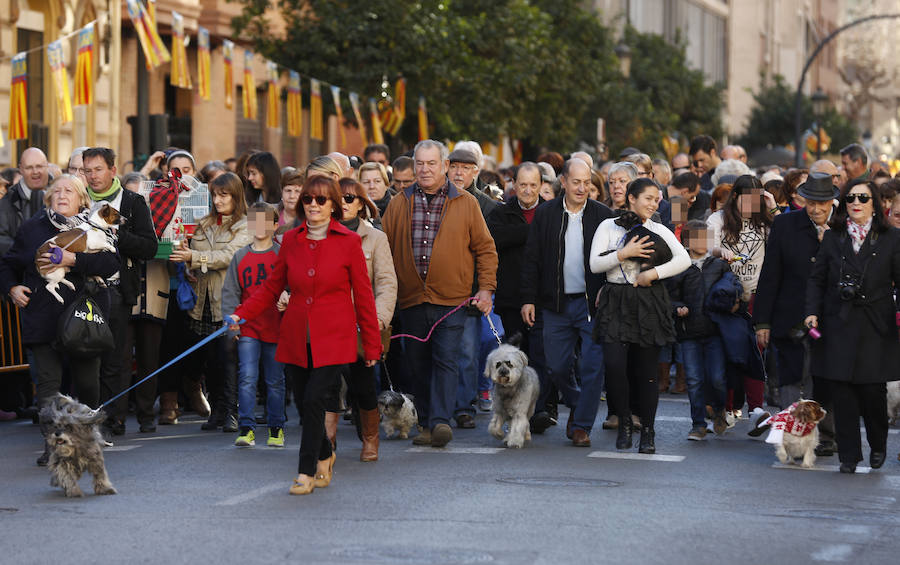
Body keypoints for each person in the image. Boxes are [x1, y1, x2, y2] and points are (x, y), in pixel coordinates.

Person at [229, 175, 381, 495]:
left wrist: (371, 345)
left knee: (315, 399)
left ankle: (305, 470)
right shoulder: (292, 240)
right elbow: (272, 287)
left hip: (335, 339)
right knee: (303, 401)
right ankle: (325, 453)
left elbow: (365, 298)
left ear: (333, 206)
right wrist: (241, 314)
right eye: (308, 199)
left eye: (321, 200)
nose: (313, 204)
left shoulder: (349, 243)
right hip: (297, 335)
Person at [382, 140, 497, 448]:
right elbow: (384, 252)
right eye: (420, 163)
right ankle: (426, 422)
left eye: (431, 163)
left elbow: (485, 249)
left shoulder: (466, 203)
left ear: (445, 166)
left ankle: (441, 422)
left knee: (446, 358)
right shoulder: (398, 203)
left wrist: (485, 289)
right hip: (411, 298)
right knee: (417, 362)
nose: (424, 169)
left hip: (452, 300)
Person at [0, 175, 120, 464]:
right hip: (43, 318)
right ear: (48, 198)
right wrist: (11, 288)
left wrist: (73, 261)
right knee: (48, 388)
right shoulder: (32, 229)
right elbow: (8, 264)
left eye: (69, 191)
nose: (62, 195)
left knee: (87, 384)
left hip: (84, 318)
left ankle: (86, 441)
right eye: (57, 191)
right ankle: (53, 446)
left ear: (82, 199)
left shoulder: (96, 228)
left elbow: (111, 264)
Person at [805, 179, 900, 473]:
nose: (856, 203)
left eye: (863, 197)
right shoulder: (834, 237)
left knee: (873, 391)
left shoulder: (891, 238)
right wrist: (811, 312)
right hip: (839, 321)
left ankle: (878, 444)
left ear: (876, 203)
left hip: (876, 323)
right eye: (850, 198)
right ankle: (849, 455)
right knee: (842, 391)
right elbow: (817, 278)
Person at [590, 178, 690, 453]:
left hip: (648, 302)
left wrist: (653, 273)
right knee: (615, 366)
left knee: (646, 372)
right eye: (648, 198)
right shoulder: (608, 226)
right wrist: (623, 253)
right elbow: (595, 263)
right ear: (631, 198)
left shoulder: (659, 228)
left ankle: (648, 430)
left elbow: (683, 259)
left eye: (657, 199)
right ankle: (623, 421)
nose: (653, 203)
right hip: (616, 300)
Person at [521, 158, 614, 447]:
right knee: (556, 366)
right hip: (556, 304)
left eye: (587, 182)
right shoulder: (547, 214)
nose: (583, 188)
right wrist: (529, 299)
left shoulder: (603, 215)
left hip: (592, 305)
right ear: (563, 182)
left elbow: (613, 258)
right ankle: (577, 402)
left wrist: (607, 291)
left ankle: (582, 426)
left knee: (592, 365)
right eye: (577, 182)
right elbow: (532, 259)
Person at [753, 172, 838, 453]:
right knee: (790, 376)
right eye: (811, 202)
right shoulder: (786, 224)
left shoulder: (843, 227)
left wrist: (831, 242)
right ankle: (790, 436)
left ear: (832, 202)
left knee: (825, 376)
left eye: (822, 203)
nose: (816, 209)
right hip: (789, 315)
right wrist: (762, 320)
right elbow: (770, 274)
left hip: (830, 318)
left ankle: (826, 436)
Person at [81, 147, 158, 435]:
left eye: (98, 169)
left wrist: (116, 234)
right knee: (84, 355)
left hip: (116, 291)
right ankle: (87, 415)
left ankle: (113, 416)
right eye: (87, 170)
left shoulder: (132, 202)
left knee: (116, 358)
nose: (92, 176)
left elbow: (149, 247)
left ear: (113, 170)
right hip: (81, 289)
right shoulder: (79, 198)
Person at [170, 172, 251, 432]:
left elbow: (228, 256)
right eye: (214, 195)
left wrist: (193, 257)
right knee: (211, 361)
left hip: (228, 301)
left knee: (229, 360)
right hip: (201, 301)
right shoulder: (203, 223)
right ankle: (216, 411)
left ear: (236, 195)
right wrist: (186, 264)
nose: (218, 200)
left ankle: (231, 412)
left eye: (223, 194)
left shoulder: (247, 224)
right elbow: (191, 254)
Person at [333, 177, 397, 460]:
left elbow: (386, 283)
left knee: (363, 384)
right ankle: (327, 439)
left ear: (361, 203)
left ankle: (370, 437)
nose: (343, 204)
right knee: (329, 383)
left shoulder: (376, 238)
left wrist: (379, 318)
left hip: (362, 323)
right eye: (338, 198)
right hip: (329, 323)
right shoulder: (321, 233)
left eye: (349, 198)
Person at [707, 175, 774, 425]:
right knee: (731, 352)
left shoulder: (766, 223)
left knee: (755, 351)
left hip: (757, 296)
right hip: (727, 297)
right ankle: (727, 407)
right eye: (748, 199)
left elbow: (786, 239)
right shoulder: (718, 219)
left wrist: (773, 207)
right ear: (735, 197)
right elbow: (706, 246)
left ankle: (756, 409)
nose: (752, 205)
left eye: (757, 200)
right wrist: (719, 251)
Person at [222, 202, 285, 448]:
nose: (259, 226)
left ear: (275, 225)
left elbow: (292, 286)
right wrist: (231, 322)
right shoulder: (240, 256)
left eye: (265, 221)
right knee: (247, 377)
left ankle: (276, 427)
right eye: (254, 221)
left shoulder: (281, 254)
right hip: (248, 327)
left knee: (275, 380)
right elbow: (231, 292)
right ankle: (246, 428)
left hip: (276, 327)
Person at [487, 162, 546, 423]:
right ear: (513, 184)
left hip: (544, 297)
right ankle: (510, 410)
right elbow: (496, 239)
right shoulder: (501, 212)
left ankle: (541, 409)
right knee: (510, 359)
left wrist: (521, 235)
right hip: (511, 297)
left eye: (533, 185)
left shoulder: (550, 211)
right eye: (523, 184)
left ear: (541, 186)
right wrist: (534, 232)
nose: (528, 190)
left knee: (541, 357)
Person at [447, 143, 498, 429]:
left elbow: (487, 251)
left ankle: (464, 406)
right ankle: (439, 404)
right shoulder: (438, 199)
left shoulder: (487, 206)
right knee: (441, 353)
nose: (459, 173)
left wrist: (484, 288)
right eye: (454, 167)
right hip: (440, 289)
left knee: (467, 352)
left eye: (465, 168)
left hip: (469, 292)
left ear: (475, 172)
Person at [666, 220, 731, 440]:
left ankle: (719, 408)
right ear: (686, 241)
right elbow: (669, 298)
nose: (702, 242)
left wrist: (734, 300)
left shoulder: (719, 264)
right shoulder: (679, 266)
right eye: (697, 237)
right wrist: (677, 308)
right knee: (693, 379)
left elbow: (733, 287)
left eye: (706, 237)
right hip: (688, 333)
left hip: (715, 331)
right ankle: (698, 424)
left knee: (717, 378)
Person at [0, 148, 49, 255]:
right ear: (20, 170)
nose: (35, 172)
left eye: (39, 166)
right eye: (29, 167)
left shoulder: (58, 193)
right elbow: (2, 240)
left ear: (47, 166)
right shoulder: (7, 202)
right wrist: (27, 254)